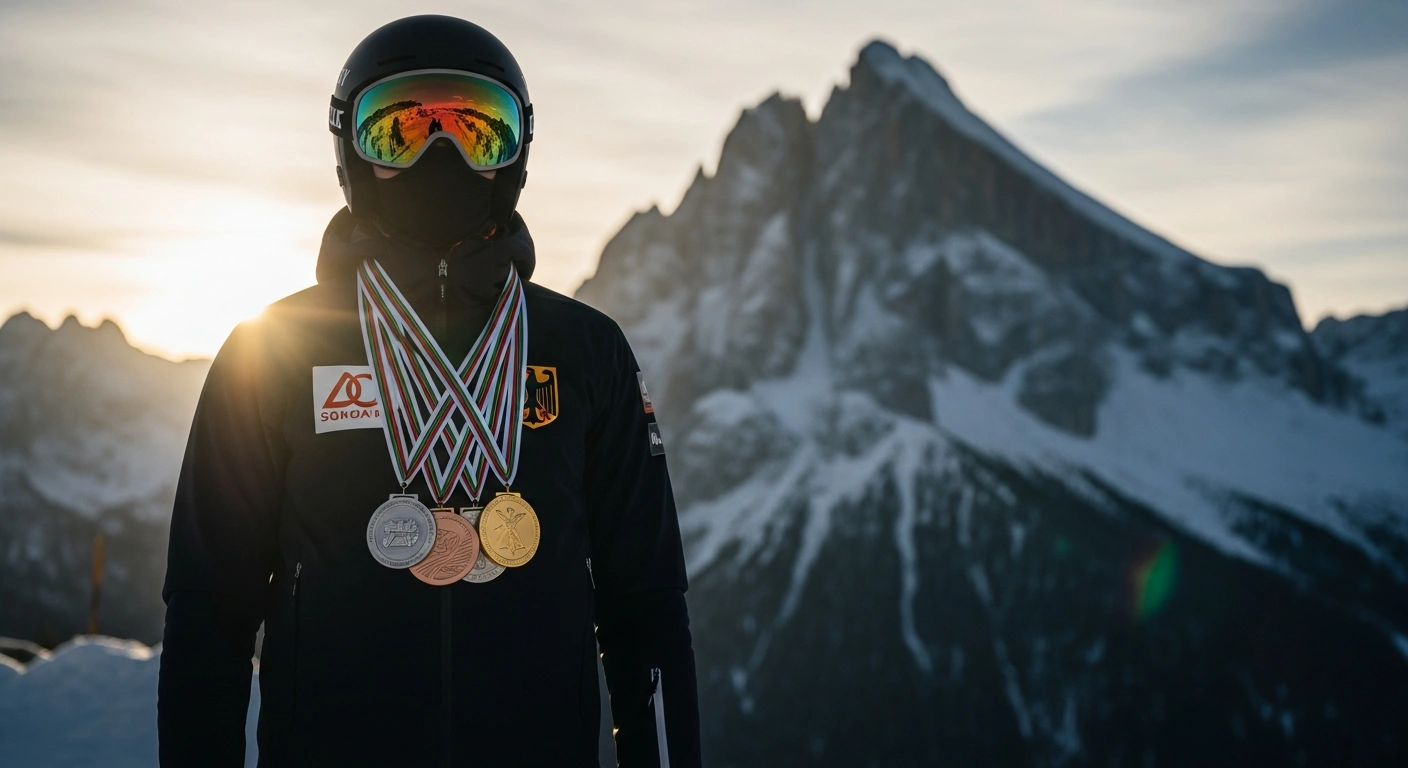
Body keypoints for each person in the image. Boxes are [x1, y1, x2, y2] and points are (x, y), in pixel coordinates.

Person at [158, 15, 700, 767]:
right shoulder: (270, 351)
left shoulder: (586, 351)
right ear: (350, 148)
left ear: (516, 157)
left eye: (478, 132)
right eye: (400, 130)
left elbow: (646, 605)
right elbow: (209, 608)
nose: (438, 154)